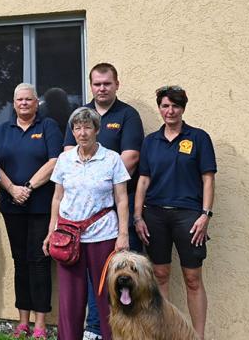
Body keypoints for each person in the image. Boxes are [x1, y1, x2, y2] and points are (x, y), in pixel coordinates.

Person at [63, 63, 144, 340]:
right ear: (91, 86)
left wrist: (99, 181)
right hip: (80, 219)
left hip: (113, 211)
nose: (102, 88)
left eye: (107, 83)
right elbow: (68, 154)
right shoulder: (80, 115)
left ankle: (113, 331)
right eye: (97, 84)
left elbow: (131, 158)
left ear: (116, 84)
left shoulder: (128, 115)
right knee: (85, 279)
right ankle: (92, 328)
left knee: (112, 278)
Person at [134, 86, 216, 339]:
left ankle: (198, 336)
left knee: (193, 278)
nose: (170, 111)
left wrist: (205, 215)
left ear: (183, 108)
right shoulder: (150, 141)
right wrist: (138, 217)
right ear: (160, 108)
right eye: (165, 106)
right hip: (155, 215)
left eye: (175, 106)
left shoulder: (199, 138)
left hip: (189, 217)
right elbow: (143, 181)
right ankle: (165, 333)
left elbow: (208, 179)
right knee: (159, 275)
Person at [44, 107, 130, 340]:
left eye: (87, 127)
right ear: (72, 131)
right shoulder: (64, 160)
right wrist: (51, 231)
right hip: (68, 237)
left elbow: (122, 199)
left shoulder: (111, 159)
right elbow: (57, 198)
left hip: (104, 235)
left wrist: (123, 234)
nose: (82, 133)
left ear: (97, 130)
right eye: (77, 128)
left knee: (107, 297)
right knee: (70, 299)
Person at [0, 83, 62, 339]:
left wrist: (28, 187)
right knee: (20, 261)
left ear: (36, 102)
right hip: (13, 206)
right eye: (19, 100)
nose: (23, 103)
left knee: (40, 261)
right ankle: (23, 322)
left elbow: (55, 161)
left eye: (28, 99)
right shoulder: (3, 130)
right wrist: (12, 189)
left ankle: (40, 323)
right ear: (14, 103)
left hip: (41, 206)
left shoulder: (48, 127)